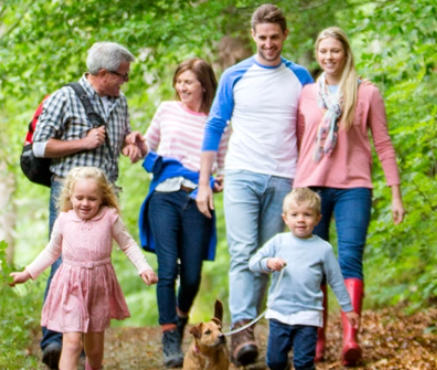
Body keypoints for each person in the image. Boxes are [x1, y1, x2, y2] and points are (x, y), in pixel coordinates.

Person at [196, 4, 313, 366]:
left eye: (274, 37)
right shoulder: (235, 75)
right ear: (252, 36)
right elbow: (214, 126)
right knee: (244, 253)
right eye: (262, 38)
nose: (268, 44)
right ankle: (243, 328)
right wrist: (203, 182)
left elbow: (314, 125)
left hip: (285, 177)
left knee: (266, 258)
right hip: (242, 174)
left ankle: (247, 328)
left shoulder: (301, 77)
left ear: (285, 35)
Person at [294, 27, 405, 365]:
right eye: (323, 51)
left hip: (354, 188)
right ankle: (316, 336)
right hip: (310, 188)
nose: (329, 56)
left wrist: (395, 193)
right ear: (317, 54)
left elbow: (383, 145)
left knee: (349, 261)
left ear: (346, 53)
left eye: (335, 51)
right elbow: (298, 144)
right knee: (313, 265)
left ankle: (350, 338)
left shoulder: (366, 92)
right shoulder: (306, 94)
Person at [31, 41, 145, 369]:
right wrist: (83, 142)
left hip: (105, 196)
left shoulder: (120, 101)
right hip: (70, 196)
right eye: (122, 76)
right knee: (65, 261)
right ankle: (56, 341)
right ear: (104, 73)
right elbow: (39, 146)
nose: (125, 82)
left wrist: (130, 144)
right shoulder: (63, 98)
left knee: (96, 264)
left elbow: (120, 137)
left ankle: (84, 335)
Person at [9, 167, 158, 370]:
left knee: (95, 351)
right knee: (71, 343)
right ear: (70, 196)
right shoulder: (64, 220)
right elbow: (51, 252)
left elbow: (128, 244)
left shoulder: (109, 217)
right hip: (70, 285)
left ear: (102, 197)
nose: (85, 203)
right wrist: (27, 273)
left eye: (91, 199)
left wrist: (144, 268)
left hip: (99, 287)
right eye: (79, 198)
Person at [135, 58, 230, 368]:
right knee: (167, 269)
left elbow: (224, 165)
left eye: (188, 82)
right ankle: (170, 340)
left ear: (204, 85)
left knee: (190, 275)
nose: (181, 87)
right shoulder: (166, 110)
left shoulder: (219, 122)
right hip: (164, 196)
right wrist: (134, 145)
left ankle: (180, 316)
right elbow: (146, 148)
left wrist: (219, 181)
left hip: (197, 199)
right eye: (179, 81)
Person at [249, 188, 360, 370]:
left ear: (318, 219)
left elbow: (336, 280)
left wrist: (348, 309)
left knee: (304, 363)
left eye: (307, 215)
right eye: (295, 214)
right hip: (279, 314)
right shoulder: (279, 242)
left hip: (308, 316)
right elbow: (253, 262)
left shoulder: (323, 248)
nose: (301, 219)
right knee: (275, 361)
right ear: (285, 218)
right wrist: (268, 263)